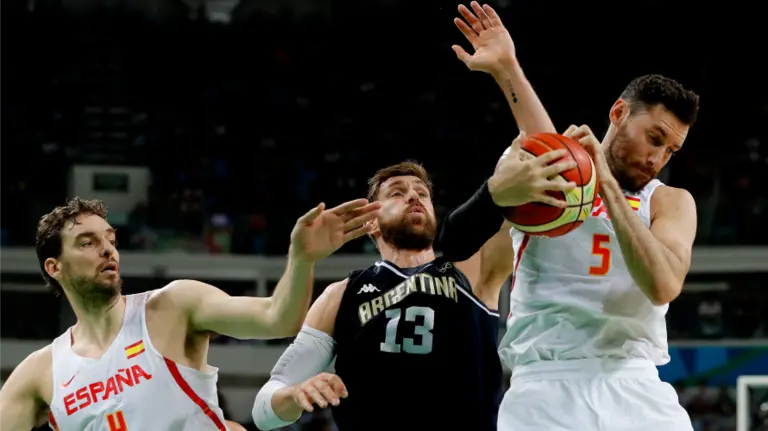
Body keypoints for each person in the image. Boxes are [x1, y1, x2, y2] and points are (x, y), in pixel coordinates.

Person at [442, 2, 700, 430]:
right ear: (618, 113)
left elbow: (663, 285)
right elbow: (458, 239)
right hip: (545, 386)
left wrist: (608, 187)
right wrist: (507, 69)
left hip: (635, 384)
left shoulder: (669, 202)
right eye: (654, 138)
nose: (657, 158)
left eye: (670, 150)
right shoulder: (545, 176)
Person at [0, 196, 381, 431]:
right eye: (88, 243)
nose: (107, 250)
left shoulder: (172, 305)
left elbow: (277, 318)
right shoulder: (38, 373)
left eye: (111, 240)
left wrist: (301, 260)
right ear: (54, 267)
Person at [251, 157, 573, 430]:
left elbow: (518, 184)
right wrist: (294, 395)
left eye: (422, 193)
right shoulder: (342, 294)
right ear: (372, 223)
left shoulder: (472, 267)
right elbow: (264, 411)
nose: (414, 198)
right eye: (397, 193)